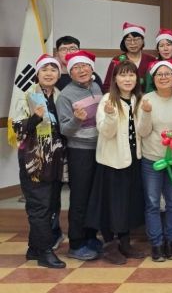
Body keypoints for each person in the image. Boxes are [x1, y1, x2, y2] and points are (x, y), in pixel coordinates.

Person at [87, 60, 145, 265]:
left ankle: (125, 243)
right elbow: (106, 131)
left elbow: (143, 130)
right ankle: (110, 246)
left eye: (131, 75)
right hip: (112, 162)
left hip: (134, 159)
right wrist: (111, 115)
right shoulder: (107, 100)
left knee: (128, 203)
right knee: (111, 205)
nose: (127, 79)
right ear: (115, 79)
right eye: (123, 75)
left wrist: (146, 113)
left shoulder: (139, 99)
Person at [13, 55, 66, 268]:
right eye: (44, 69)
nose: (49, 73)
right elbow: (17, 128)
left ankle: (34, 248)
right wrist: (35, 117)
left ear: (59, 74)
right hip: (33, 160)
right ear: (37, 73)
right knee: (40, 206)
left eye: (53, 70)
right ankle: (45, 251)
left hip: (55, 160)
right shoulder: (27, 96)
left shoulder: (61, 96)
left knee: (50, 204)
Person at [136, 59, 172, 262]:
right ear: (153, 78)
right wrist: (146, 113)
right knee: (152, 203)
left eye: (167, 74)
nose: (163, 77)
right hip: (152, 159)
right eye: (159, 74)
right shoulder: (146, 99)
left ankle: (171, 241)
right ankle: (156, 244)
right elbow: (142, 132)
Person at [55, 50, 103, 261]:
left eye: (85, 66)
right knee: (80, 198)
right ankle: (76, 243)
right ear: (70, 72)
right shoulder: (65, 96)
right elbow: (65, 130)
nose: (82, 70)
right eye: (76, 68)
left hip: (100, 148)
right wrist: (77, 119)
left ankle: (91, 237)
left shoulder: (96, 87)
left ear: (91, 69)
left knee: (94, 197)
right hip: (80, 152)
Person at [103, 22, 156, 93]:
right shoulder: (117, 60)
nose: (132, 43)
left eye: (136, 39)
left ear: (143, 41)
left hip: (146, 98)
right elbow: (107, 86)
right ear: (124, 42)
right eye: (128, 40)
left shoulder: (151, 60)